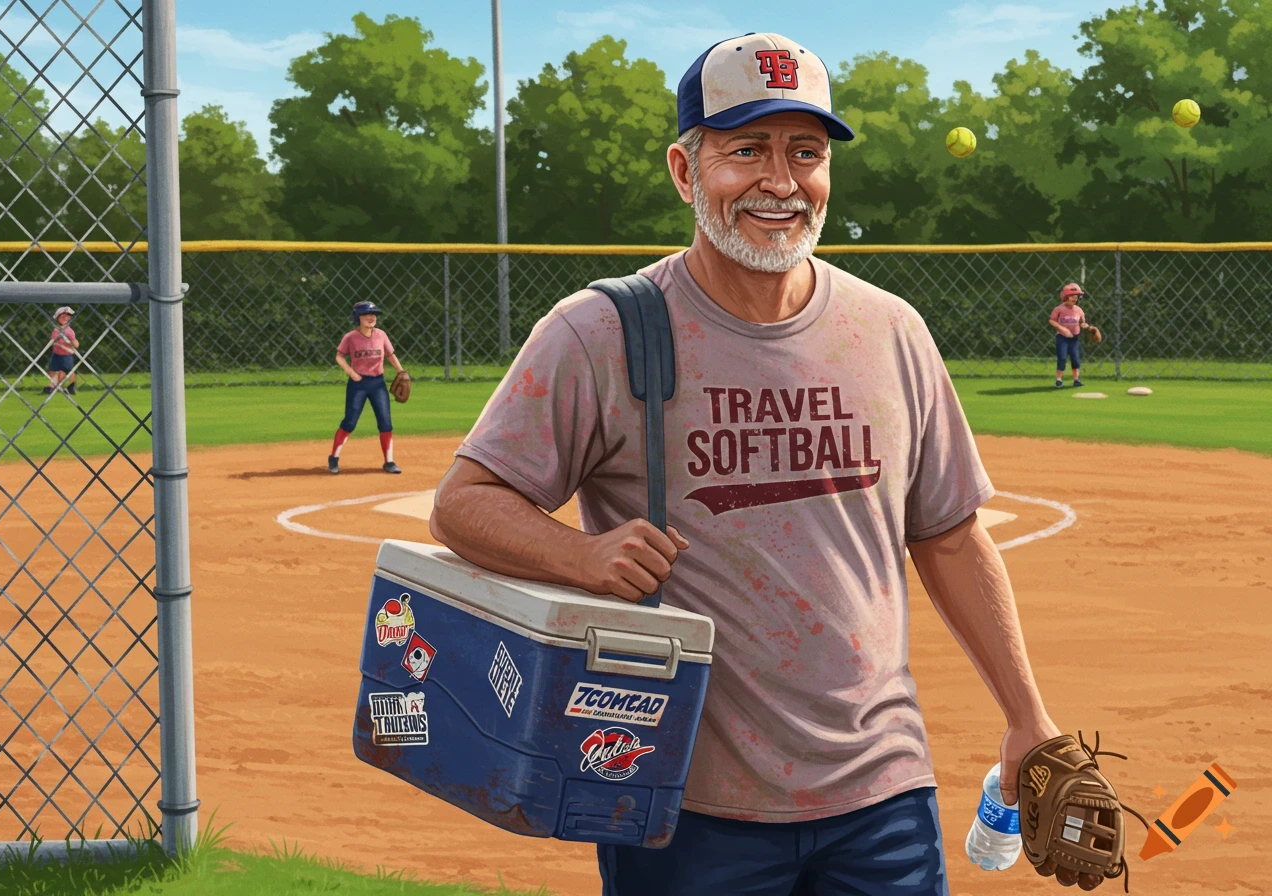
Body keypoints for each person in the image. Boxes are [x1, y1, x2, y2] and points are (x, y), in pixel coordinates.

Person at [429, 32, 1064, 896]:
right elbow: (464, 505)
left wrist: (1028, 716)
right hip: (680, 801)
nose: (780, 180)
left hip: (882, 790)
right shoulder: (600, 331)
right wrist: (576, 557)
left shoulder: (890, 331)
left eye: (805, 152)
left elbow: (949, 534)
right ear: (686, 173)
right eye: (746, 150)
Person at [329, 300, 405, 474]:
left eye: (374, 315)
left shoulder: (381, 335)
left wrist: (401, 371)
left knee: (385, 422)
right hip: (358, 384)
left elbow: (390, 354)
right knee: (350, 421)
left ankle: (389, 461)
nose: (371, 317)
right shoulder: (350, 337)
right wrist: (350, 372)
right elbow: (339, 357)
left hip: (377, 383)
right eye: (366, 314)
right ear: (358, 317)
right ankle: (333, 458)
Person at [1050, 282, 1090, 388]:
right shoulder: (1059, 309)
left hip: (1074, 338)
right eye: (1072, 296)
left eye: (1076, 297)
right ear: (1065, 297)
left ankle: (1076, 379)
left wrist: (1086, 326)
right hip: (1062, 338)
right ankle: (1059, 379)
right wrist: (1062, 329)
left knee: (1075, 358)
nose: (1074, 299)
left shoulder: (1079, 310)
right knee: (1062, 357)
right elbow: (1052, 321)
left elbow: (1082, 322)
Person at [45, 306, 80, 395]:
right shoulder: (56, 330)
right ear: (57, 318)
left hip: (66, 355)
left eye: (67, 317)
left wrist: (69, 343)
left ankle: (71, 385)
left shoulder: (69, 331)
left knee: (67, 370)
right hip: (56, 354)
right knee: (53, 370)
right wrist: (56, 340)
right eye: (62, 317)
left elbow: (75, 344)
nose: (65, 318)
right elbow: (53, 340)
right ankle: (54, 385)